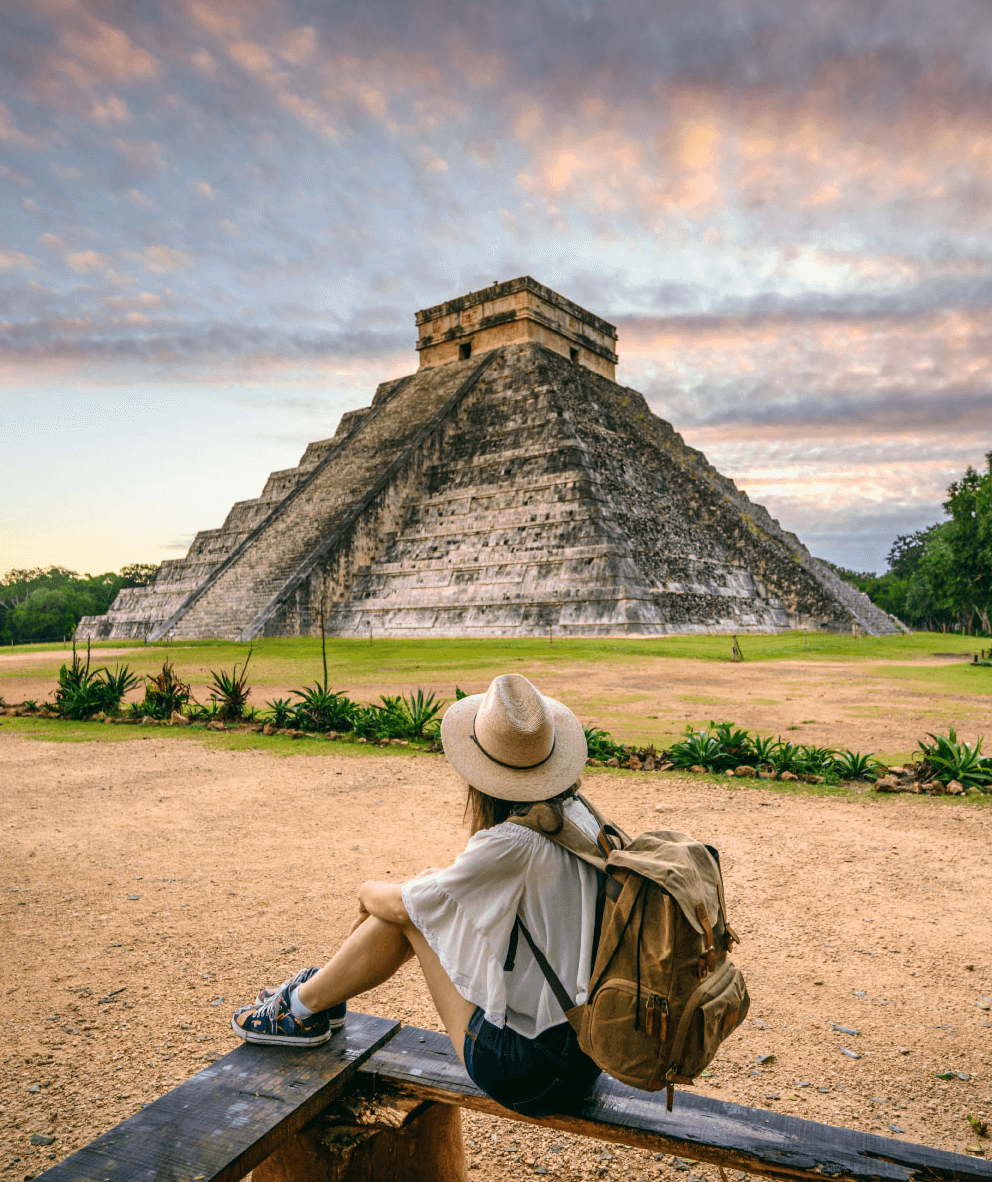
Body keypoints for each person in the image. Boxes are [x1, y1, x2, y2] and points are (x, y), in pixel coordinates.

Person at [231, 672, 604, 1116]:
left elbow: (407, 906)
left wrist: (365, 890)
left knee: (404, 911)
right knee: (422, 893)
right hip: (584, 1052)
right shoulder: (580, 817)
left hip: (531, 1071)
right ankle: (314, 999)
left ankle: (299, 1008)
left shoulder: (512, 843)